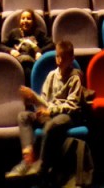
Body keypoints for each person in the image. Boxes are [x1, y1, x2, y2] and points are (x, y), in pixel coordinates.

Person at [7, 39, 83, 179]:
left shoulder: (75, 78)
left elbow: (72, 106)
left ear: (71, 59)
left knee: (51, 125)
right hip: (49, 113)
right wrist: (33, 100)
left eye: (63, 57)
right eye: (57, 56)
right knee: (23, 116)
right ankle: (28, 159)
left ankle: (41, 165)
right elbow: (45, 101)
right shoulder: (51, 75)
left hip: (65, 116)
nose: (59, 60)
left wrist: (50, 110)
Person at [1, 9, 52, 82]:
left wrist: (40, 51)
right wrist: (11, 50)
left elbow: (51, 44)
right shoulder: (14, 32)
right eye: (23, 18)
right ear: (20, 21)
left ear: (33, 21)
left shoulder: (38, 33)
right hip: (17, 62)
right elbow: (0, 46)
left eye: (29, 19)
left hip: (32, 63)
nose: (25, 21)